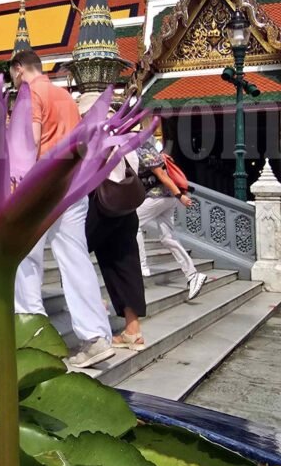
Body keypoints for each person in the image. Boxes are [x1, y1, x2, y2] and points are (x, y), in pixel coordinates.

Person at [9, 48, 114, 369]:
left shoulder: (29, 94)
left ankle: (32, 332)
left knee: (24, 257)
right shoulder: (65, 96)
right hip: (73, 186)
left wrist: (17, 189)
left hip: (42, 184)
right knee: (75, 259)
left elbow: (30, 142)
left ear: (17, 69)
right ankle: (95, 337)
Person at [79, 93, 147, 351]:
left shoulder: (94, 136)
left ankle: (94, 313)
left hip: (102, 207)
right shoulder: (123, 135)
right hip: (126, 208)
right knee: (124, 265)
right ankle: (133, 330)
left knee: (75, 253)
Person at [137, 139, 207, 300]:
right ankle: (193, 275)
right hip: (167, 199)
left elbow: (161, 174)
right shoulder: (147, 148)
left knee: (133, 222)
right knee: (168, 238)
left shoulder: (142, 148)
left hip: (159, 196)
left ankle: (142, 265)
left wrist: (180, 195)